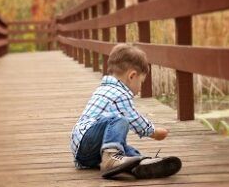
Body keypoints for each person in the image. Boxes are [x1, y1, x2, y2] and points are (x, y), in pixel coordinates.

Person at [70, 43, 181, 179]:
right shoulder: (119, 93)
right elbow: (134, 119)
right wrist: (153, 132)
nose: (140, 88)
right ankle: (112, 159)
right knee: (119, 120)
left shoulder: (105, 88)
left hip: (86, 153)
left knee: (124, 148)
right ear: (132, 76)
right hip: (87, 141)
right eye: (141, 82)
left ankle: (139, 163)